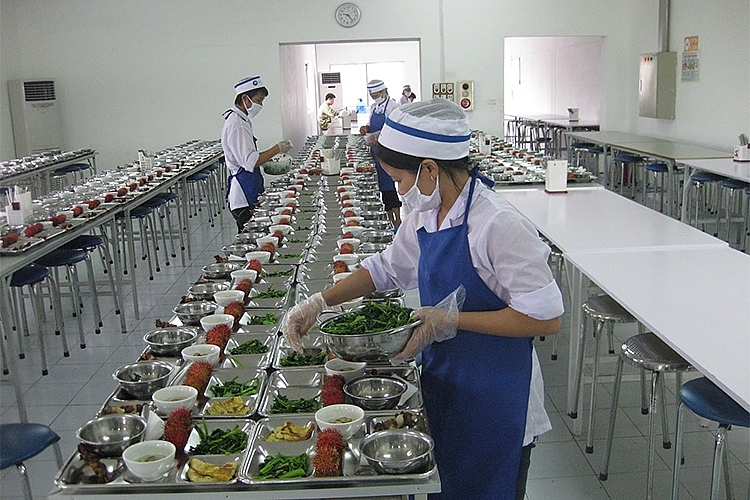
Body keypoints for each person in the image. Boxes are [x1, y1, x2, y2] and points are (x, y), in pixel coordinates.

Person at [284, 99, 563, 500]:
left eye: (399, 179)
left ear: (430, 169)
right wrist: (319, 303)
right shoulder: (426, 214)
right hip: (445, 382)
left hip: (499, 397)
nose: (399, 191)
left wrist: (452, 320)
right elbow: (385, 268)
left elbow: (545, 318)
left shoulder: (498, 224)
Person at [221, 76, 292, 232]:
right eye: (259, 100)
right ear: (245, 98)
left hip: (249, 186)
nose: (260, 105)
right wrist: (277, 148)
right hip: (243, 195)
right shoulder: (237, 125)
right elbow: (250, 161)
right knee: (251, 237)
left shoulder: (241, 120)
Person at [358, 79, 402, 229]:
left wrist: (376, 137)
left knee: (389, 183)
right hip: (375, 150)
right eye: (372, 96)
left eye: (377, 95)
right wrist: (366, 128)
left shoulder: (393, 107)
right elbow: (372, 125)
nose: (375, 98)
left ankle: (397, 219)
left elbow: (393, 129)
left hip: (388, 149)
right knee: (380, 183)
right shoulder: (374, 107)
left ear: (384, 91)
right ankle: (388, 219)